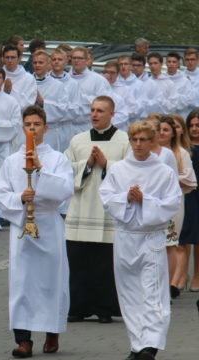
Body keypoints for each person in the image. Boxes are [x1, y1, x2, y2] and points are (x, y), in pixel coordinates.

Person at [0, 105, 73, 358]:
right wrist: (20, 197)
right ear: (22, 127)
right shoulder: (11, 161)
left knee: (52, 281)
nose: (32, 129)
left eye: (37, 125)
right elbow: (0, 192)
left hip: (48, 224)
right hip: (22, 228)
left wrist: (40, 169)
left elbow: (64, 189)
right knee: (22, 283)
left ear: (45, 128)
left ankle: (52, 332)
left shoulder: (57, 159)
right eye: (28, 125)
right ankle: (23, 339)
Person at [99, 121, 181, 360]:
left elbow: (171, 203)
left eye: (143, 140)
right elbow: (106, 196)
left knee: (153, 292)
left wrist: (144, 199)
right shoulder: (118, 169)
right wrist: (126, 196)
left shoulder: (163, 171)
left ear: (153, 141)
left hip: (150, 238)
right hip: (126, 237)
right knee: (129, 293)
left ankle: (151, 345)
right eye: (134, 140)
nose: (138, 145)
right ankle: (137, 344)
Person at [64, 96, 130, 324]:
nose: (94, 114)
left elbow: (131, 172)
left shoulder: (125, 141)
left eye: (100, 111)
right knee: (79, 259)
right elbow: (65, 170)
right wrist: (87, 165)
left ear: (112, 113)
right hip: (82, 208)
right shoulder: (78, 140)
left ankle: (105, 308)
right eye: (92, 110)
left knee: (104, 262)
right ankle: (78, 307)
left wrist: (107, 165)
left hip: (107, 212)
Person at [158, 116, 196, 298]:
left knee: (172, 243)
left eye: (166, 130)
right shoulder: (151, 152)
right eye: (159, 130)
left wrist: (169, 178)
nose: (162, 133)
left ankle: (171, 283)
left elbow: (189, 178)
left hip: (173, 204)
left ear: (173, 133)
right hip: (153, 204)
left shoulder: (180, 153)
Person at [32, 50, 69, 151]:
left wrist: (43, 103)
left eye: (40, 63)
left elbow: (62, 110)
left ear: (48, 64)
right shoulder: (28, 82)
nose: (37, 65)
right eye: (35, 63)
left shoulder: (58, 86)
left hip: (50, 132)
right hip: (30, 131)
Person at [70, 47, 112, 134]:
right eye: (74, 58)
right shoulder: (65, 80)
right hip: (68, 126)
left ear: (86, 60)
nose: (76, 61)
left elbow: (104, 103)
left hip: (88, 125)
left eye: (80, 58)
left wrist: (82, 98)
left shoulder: (98, 80)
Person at [49, 48, 84, 148]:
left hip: (65, 128)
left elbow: (76, 110)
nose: (56, 62)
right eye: (54, 59)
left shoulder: (73, 84)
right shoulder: (45, 82)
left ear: (65, 62)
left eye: (59, 59)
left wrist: (56, 111)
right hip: (48, 128)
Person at [181, 110, 199, 292]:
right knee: (184, 236)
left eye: (197, 125)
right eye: (191, 125)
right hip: (188, 194)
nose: (194, 129)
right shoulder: (185, 148)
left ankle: (197, 276)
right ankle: (181, 274)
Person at [0, 44, 37, 111]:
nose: (10, 60)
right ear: (3, 59)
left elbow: (29, 104)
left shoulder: (29, 79)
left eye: (13, 57)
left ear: (19, 59)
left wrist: (11, 92)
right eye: (7, 57)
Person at [166, 52, 196, 118]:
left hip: (181, 116)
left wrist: (173, 98)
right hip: (165, 116)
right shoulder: (162, 79)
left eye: (174, 62)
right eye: (169, 61)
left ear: (178, 64)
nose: (171, 64)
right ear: (166, 63)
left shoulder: (185, 81)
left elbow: (188, 100)